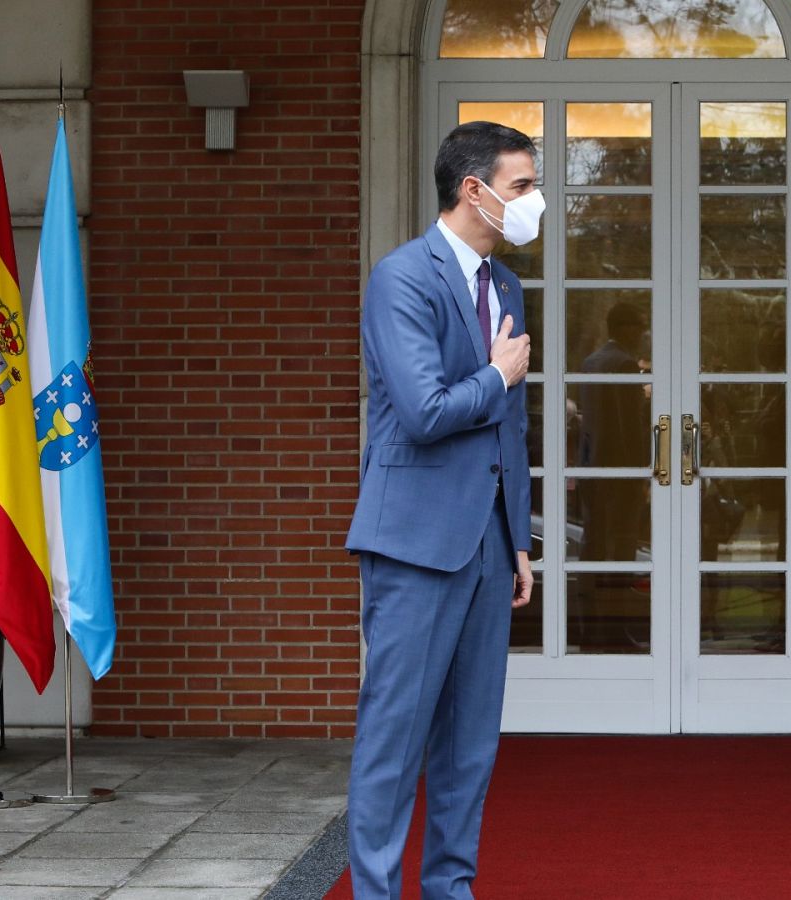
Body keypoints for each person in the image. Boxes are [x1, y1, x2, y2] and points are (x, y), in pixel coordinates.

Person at [344, 120, 540, 900]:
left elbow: (512, 425)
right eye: (523, 186)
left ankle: (450, 890)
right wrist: (495, 375)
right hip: (415, 542)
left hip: (489, 546)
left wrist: (519, 535)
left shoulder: (508, 286)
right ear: (474, 191)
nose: (533, 202)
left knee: (469, 746)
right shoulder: (402, 278)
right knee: (393, 742)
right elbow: (425, 411)